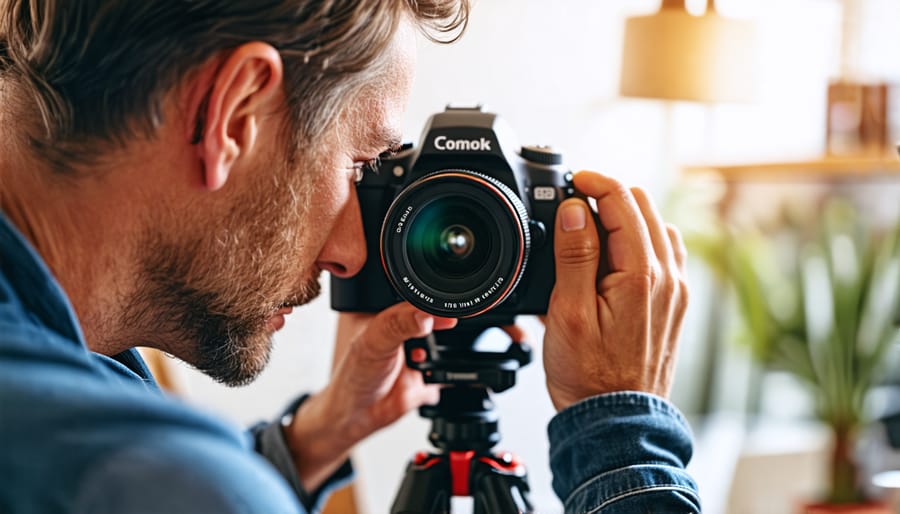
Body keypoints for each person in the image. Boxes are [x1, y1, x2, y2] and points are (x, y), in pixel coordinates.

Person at [0, 1, 699, 513]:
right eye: (364, 163)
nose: (355, 252)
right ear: (234, 113)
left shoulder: (87, 403)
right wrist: (623, 431)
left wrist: (316, 438)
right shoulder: (155, 479)